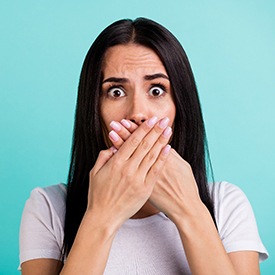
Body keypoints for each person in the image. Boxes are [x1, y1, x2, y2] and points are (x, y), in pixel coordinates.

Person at [19, 18, 268, 274]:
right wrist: (101, 215)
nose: (138, 113)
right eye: (116, 91)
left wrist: (189, 210)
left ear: (180, 106)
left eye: (157, 90)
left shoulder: (226, 204)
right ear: (94, 108)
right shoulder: (49, 207)